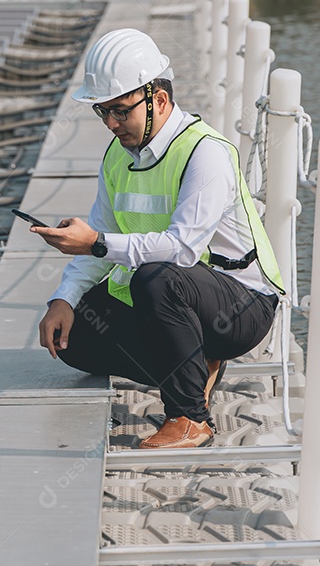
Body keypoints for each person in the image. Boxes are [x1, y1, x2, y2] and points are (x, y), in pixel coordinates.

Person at [31, 28, 284, 449]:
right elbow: (103, 231)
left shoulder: (206, 153)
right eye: (102, 112)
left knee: (156, 276)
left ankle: (190, 418)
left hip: (241, 304)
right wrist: (64, 298)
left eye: (120, 111)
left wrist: (95, 242)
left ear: (159, 101)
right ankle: (196, 365)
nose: (111, 124)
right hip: (174, 294)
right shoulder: (117, 156)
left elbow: (182, 249)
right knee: (73, 337)